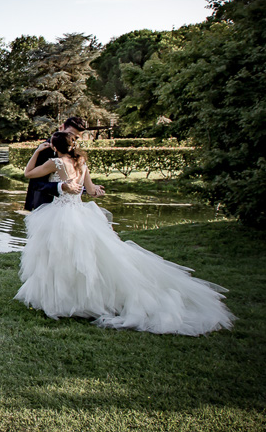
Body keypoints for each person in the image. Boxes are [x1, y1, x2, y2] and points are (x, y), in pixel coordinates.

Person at [15, 131, 233, 336]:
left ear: (54, 146)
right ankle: (83, 300)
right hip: (81, 213)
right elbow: (90, 191)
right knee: (91, 258)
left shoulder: (55, 162)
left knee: (60, 257)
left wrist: (36, 152)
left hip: (61, 215)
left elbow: (28, 174)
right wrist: (95, 190)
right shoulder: (81, 163)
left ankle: (64, 301)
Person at [22, 116, 103, 212]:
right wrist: (61, 186)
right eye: (70, 134)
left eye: (76, 138)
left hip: (70, 208)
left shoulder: (77, 155)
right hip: (45, 205)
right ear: (61, 128)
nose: (73, 140)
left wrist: (90, 188)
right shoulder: (45, 149)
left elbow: (73, 178)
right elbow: (35, 183)